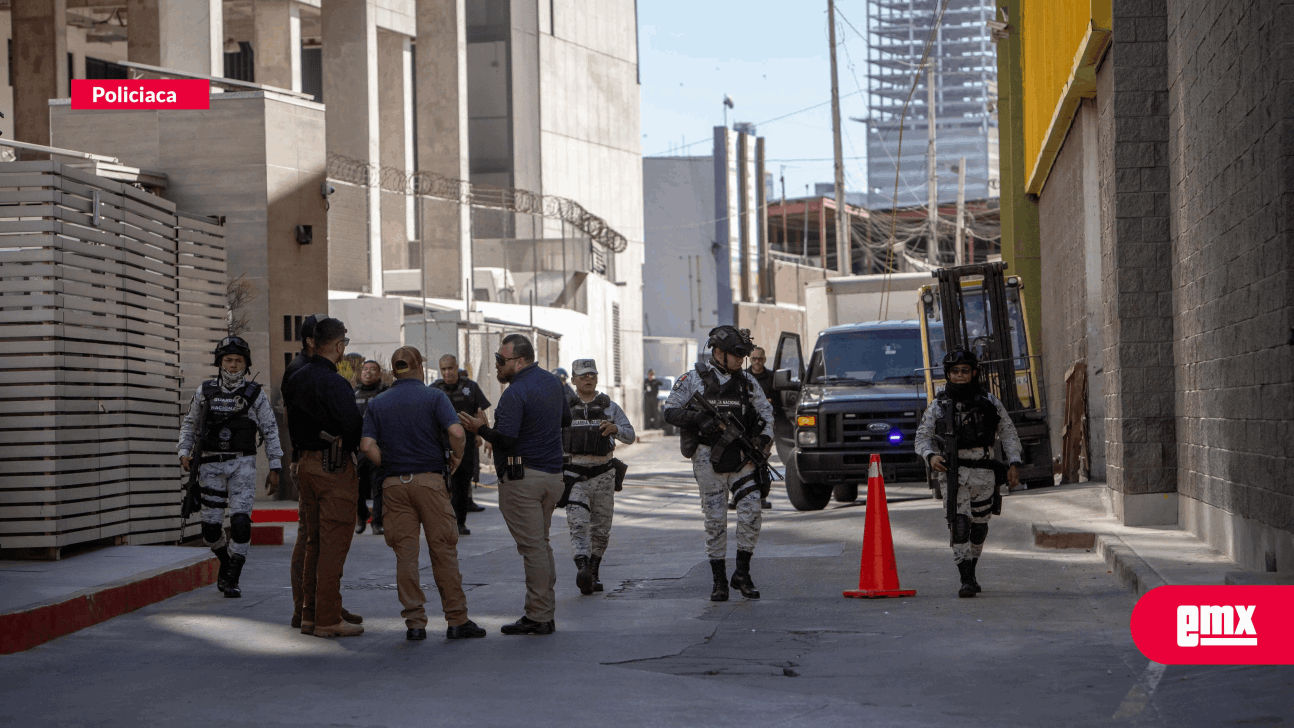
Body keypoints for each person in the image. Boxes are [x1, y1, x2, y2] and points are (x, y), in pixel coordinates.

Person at [359, 347, 487, 642]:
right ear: (418, 367)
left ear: (393, 370)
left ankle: (415, 623)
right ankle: (457, 620)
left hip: (393, 485)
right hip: (430, 482)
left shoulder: (378, 402)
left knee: (405, 556)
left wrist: (388, 464)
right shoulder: (434, 397)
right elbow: (456, 433)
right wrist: (456, 459)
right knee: (443, 551)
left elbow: (367, 446)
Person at [459, 334, 571, 636]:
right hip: (552, 477)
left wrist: (479, 428)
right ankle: (542, 610)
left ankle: (539, 616)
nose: (496, 365)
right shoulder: (553, 383)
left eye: (501, 360)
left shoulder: (514, 393)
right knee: (541, 545)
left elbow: (506, 439)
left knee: (533, 548)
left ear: (519, 361)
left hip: (524, 481)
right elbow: (566, 418)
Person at [662, 326, 774, 602]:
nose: (741, 360)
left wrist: (762, 440)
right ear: (718, 352)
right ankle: (720, 581)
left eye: (744, 355)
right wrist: (698, 419)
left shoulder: (748, 382)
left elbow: (767, 414)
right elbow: (670, 410)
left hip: (742, 457)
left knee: (751, 513)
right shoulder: (693, 379)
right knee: (715, 520)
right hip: (707, 456)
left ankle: (742, 574)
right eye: (736, 354)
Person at [177, 336, 284, 599]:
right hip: (210, 465)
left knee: (240, 523)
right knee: (210, 530)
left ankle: (233, 576)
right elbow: (190, 423)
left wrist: (275, 466)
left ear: (246, 363)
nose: (233, 365)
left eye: (238, 361)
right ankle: (225, 561)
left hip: (242, 464)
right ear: (220, 361)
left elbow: (270, 430)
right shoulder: (205, 391)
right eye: (228, 360)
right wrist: (183, 451)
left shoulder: (255, 394)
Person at [914, 349, 1022, 598]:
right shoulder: (939, 405)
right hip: (954, 473)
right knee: (960, 524)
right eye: (955, 371)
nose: (960, 376)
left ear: (974, 373)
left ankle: (971, 570)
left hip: (984, 472)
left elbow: (1008, 432)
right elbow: (922, 437)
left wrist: (1014, 463)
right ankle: (965, 579)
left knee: (979, 527)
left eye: (965, 371)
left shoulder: (990, 402)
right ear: (948, 375)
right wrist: (931, 457)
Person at [280, 314, 362, 631]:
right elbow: (353, 427)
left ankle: (310, 611)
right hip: (332, 466)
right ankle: (327, 617)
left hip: (307, 465)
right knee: (332, 544)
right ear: (339, 346)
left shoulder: (296, 376)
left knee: (313, 541)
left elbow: (289, 420)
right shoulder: (335, 382)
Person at [562, 358, 635, 595]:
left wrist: (616, 429)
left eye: (592, 374)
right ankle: (582, 568)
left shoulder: (610, 407)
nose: (587, 378)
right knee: (578, 524)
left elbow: (630, 435)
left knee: (601, 529)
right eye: (582, 375)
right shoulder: (563, 407)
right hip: (575, 476)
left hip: (603, 475)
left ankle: (593, 572)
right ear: (573, 380)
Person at [431, 355, 492, 535]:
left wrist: (487, 437)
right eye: (443, 369)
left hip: (465, 444)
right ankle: (441, 523)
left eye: (450, 368)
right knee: (439, 486)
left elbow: (480, 413)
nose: (447, 372)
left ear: (456, 367)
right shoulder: (434, 389)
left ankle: (460, 523)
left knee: (462, 484)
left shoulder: (470, 387)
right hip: (440, 444)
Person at [353, 360, 387, 535]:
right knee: (356, 486)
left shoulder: (385, 393)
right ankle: (361, 515)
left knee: (378, 486)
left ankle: (377, 522)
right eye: (365, 369)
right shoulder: (354, 393)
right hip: (358, 448)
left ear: (378, 374)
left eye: (372, 370)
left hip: (378, 447)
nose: (368, 372)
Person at [743, 348, 777, 510]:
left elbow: (779, 401)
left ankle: (761, 496)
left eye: (760, 359)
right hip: (745, 427)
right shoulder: (742, 377)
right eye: (754, 359)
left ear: (764, 359)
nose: (757, 362)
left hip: (764, 428)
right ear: (750, 359)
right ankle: (740, 497)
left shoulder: (772, 378)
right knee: (741, 462)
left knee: (761, 461)